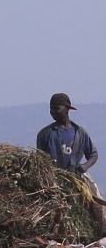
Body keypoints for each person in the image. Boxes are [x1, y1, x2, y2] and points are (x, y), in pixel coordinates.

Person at [37, 92, 104, 235]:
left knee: (97, 207)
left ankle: (99, 233)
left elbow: (93, 154)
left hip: (76, 178)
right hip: (52, 181)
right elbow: (39, 160)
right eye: (51, 108)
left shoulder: (80, 133)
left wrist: (85, 166)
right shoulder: (45, 134)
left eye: (57, 108)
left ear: (67, 109)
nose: (53, 112)